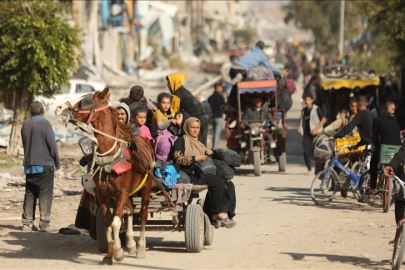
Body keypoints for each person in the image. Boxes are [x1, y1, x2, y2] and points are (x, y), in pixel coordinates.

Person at [172, 117, 236, 228]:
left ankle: (224, 211)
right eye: (192, 127)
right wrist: (194, 159)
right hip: (192, 174)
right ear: (187, 127)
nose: (195, 130)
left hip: (204, 172)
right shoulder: (181, 141)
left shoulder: (198, 142)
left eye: (197, 127)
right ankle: (214, 213)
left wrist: (209, 152)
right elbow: (177, 159)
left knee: (229, 184)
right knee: (217, 183)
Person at [21, 101, 60, 232]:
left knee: (30, 194)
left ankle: (27, 223)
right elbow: (52, 146)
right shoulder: (45, 124)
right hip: (45, 165)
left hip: (29, 164)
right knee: (45, 195)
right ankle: (44, 224)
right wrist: (57, 163)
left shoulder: (25, 124)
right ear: (42, 111)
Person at [227, 41, 288, 110]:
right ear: (262, 48)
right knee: (243, 89)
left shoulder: (250, 51)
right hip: (241, 70)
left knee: (235, 88)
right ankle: (242, 104)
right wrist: (280, 71)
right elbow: (269, 66)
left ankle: (230, 104)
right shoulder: (261, 54)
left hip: (233, 68)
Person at [166, 73, 209, 146]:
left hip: (195, 122)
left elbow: (174, 114)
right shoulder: (184, 91)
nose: (167, 85)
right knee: (202, 146)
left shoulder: (176, 95)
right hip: (203, 119)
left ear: (174, 83)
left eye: (169, 83)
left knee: (195, 146)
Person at [369, 103, 401, 194]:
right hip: (398, 147)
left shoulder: (377, 120)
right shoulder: (395, 120)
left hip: (384, 147)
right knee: (399, 166)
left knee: (373, 162)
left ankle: (373, 187)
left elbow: (375, 137)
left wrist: (376, 146)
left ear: (377, 113)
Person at [297, 93, 326, 175]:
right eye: (305, 100)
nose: (307, 101)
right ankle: (309, 169)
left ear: (312, 100)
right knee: (306, 152)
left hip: (316, 134)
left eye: (308, 100)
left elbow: (323, 119)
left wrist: (316, 129)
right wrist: (299, 127)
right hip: (307, 133)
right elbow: (302, 121)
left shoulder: (316, 109)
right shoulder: (303, 111)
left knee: (318, 152)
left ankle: (320, 169)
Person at [208, 83, 225, 149]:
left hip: (212, 117)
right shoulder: (221, 97)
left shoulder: (210, 98)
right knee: (217, 134)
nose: (222, 89)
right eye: (221, 87)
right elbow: (223, 108)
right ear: (218, 88)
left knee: (214, 133)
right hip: (219, 118)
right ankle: (214, 149)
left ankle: (213, 148)